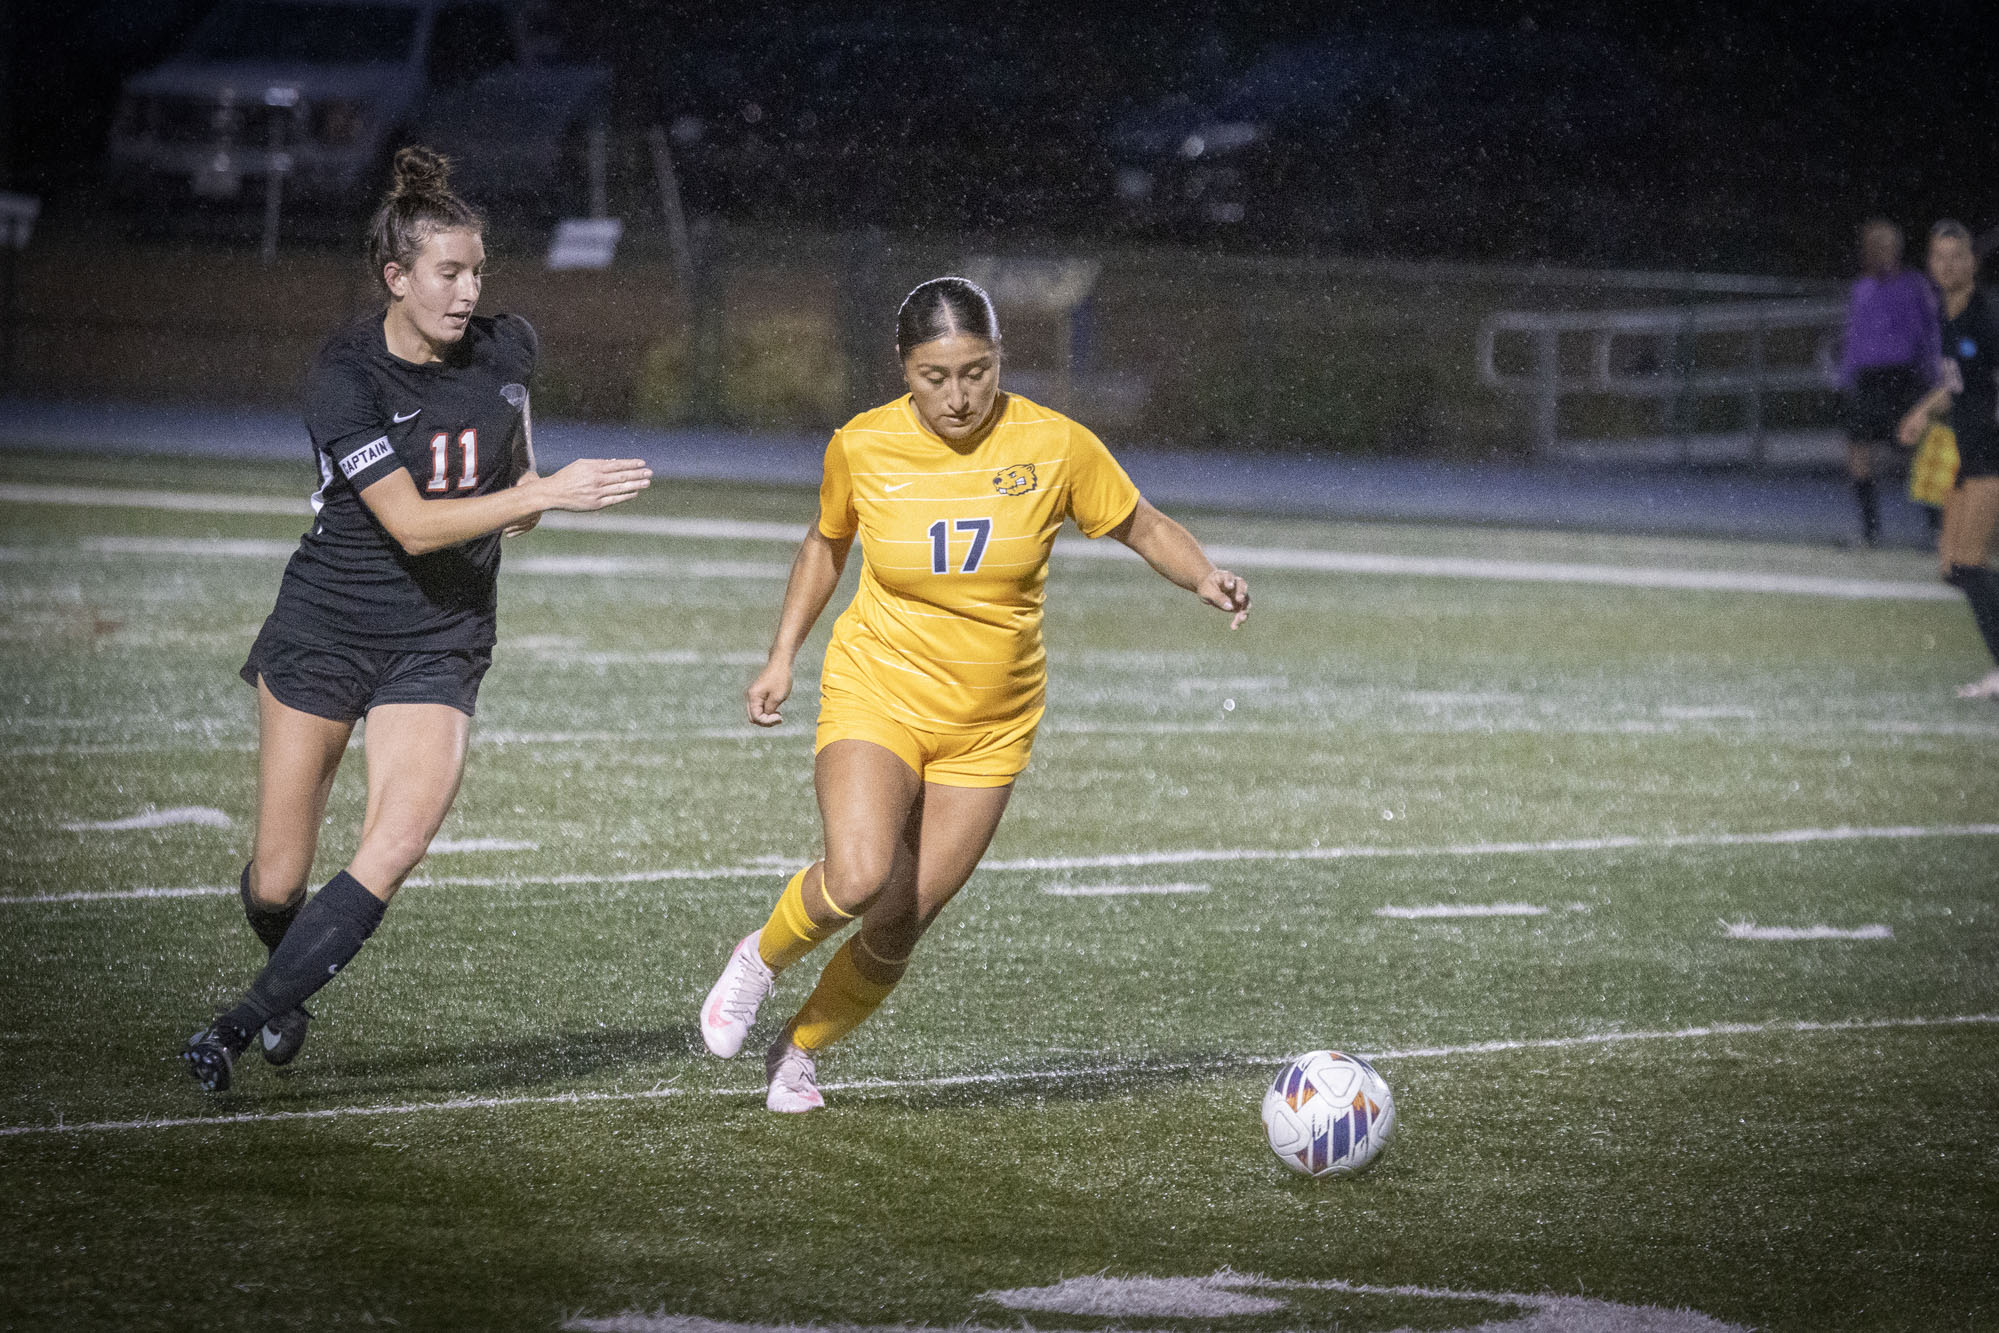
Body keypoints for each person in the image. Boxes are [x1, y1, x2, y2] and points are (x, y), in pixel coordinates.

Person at [696, 276, 1251, 1112]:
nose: (957, 396)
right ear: (902, 368)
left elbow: (1141, 522)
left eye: (976, 372)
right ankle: (758, 962)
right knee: (857, 874)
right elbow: (825, 543)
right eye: (934, 376)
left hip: (990, 724)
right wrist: (780, 657)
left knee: (896, 920)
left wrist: (1203, 574)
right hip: (877, 688)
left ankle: (798, 1051)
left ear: (1000, 361)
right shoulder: (862, 445)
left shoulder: (1055, 444)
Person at [180, 147, 652, 1091]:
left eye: (478, 270)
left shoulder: (508, 347)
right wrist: (550, 494)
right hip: (324, 629)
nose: (469, 289)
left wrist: (537, 493)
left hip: (439, 642)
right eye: (448, 272)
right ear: (396, 278)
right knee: (277, 880)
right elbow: (410, 522)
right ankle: (288, 979)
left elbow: (514, 484)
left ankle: (234, 1026)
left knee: (391, 847)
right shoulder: (345, 375)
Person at [1898, 220, 1999, 699]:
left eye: (1957, 256)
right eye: (1940, 257)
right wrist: (1921, 412)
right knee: (1955, 568)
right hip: (1969, 452)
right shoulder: (1947, 314)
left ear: (1972, 262)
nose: (1948, 265)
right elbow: (1957, 382)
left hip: (1992, 455)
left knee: (1972, 563)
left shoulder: (1985, 314)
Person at [1837, 219, 1940, 546]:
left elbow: (1930, 333)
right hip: (1868, 380)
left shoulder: (1914, 285)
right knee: (1857, 452)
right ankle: (1870, 531)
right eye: (1872, 245)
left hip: (1905, 377)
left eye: (1885, 245)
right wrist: (1844, 377)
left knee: (1917, 452)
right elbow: (1853, 337)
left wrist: (1933, 380)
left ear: (1896, 248)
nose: (1878, 251)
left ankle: (1936, 529)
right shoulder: (1861, 288)